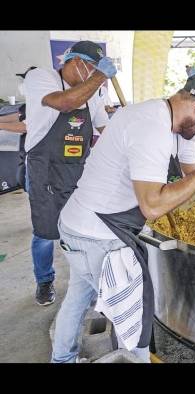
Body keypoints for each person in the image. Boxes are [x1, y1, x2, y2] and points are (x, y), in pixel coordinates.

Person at [52, 72, 195, 363]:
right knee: (136, 316)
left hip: (84, 224)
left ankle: (62, 359)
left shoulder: (175, 122)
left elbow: (194, 175)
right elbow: (152, 206)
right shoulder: (150, 128)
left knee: (77, 300)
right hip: (96, 236)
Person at [23, 40, 116, 306]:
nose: (95, 77)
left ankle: (86, 283)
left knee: (81, 229)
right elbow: (66, 103)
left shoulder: (94, 93)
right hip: (45, 168)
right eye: (91, 69)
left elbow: (103, 130)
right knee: (45, 231)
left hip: (77, 171)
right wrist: (99, 77)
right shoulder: (42, 77)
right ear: (75, 62)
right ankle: (44, 281)